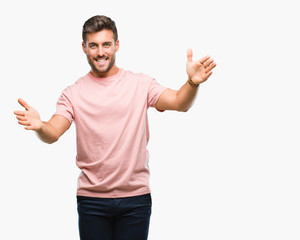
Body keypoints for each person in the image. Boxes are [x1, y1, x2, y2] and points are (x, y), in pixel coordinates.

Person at [14, 15, 216, 240]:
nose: (100, 52)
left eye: (106, 44)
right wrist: (40, 126)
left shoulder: (141, 84)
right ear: (84, 48)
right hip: (92, 201)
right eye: (94, 45)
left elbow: (180, 102)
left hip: (135, 200)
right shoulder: (72, 93)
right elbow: (54, 132)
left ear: (116, 45)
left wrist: (192, 82)